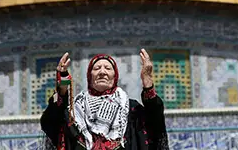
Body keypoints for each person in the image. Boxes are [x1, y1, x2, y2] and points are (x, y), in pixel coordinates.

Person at [40, 49, 168, 150]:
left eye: (108, 68)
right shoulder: (74, 112)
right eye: (96, 69)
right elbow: (51, 120)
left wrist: (147, 81)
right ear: (89, 76)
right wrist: (62, 82)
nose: (102, 72)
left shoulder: (130, 109)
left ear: (115, 76)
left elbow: (155, 120)